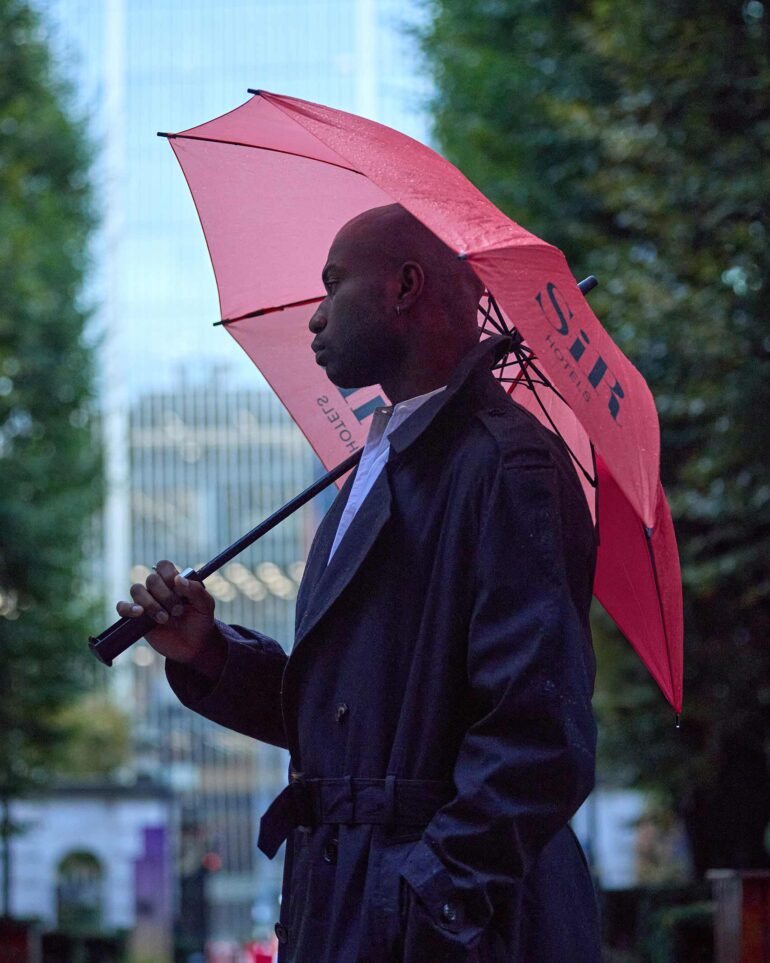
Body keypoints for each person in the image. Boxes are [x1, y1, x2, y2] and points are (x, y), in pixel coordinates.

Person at [118, 204, 600, 962]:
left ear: (405, 287)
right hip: (347, 907)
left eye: (333, 283)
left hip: (446, 927)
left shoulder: (508, 466)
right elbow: (351, 722)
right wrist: (208, 651)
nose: (316, 317)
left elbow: (540, 733)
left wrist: (425, 899)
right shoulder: (378, 469)